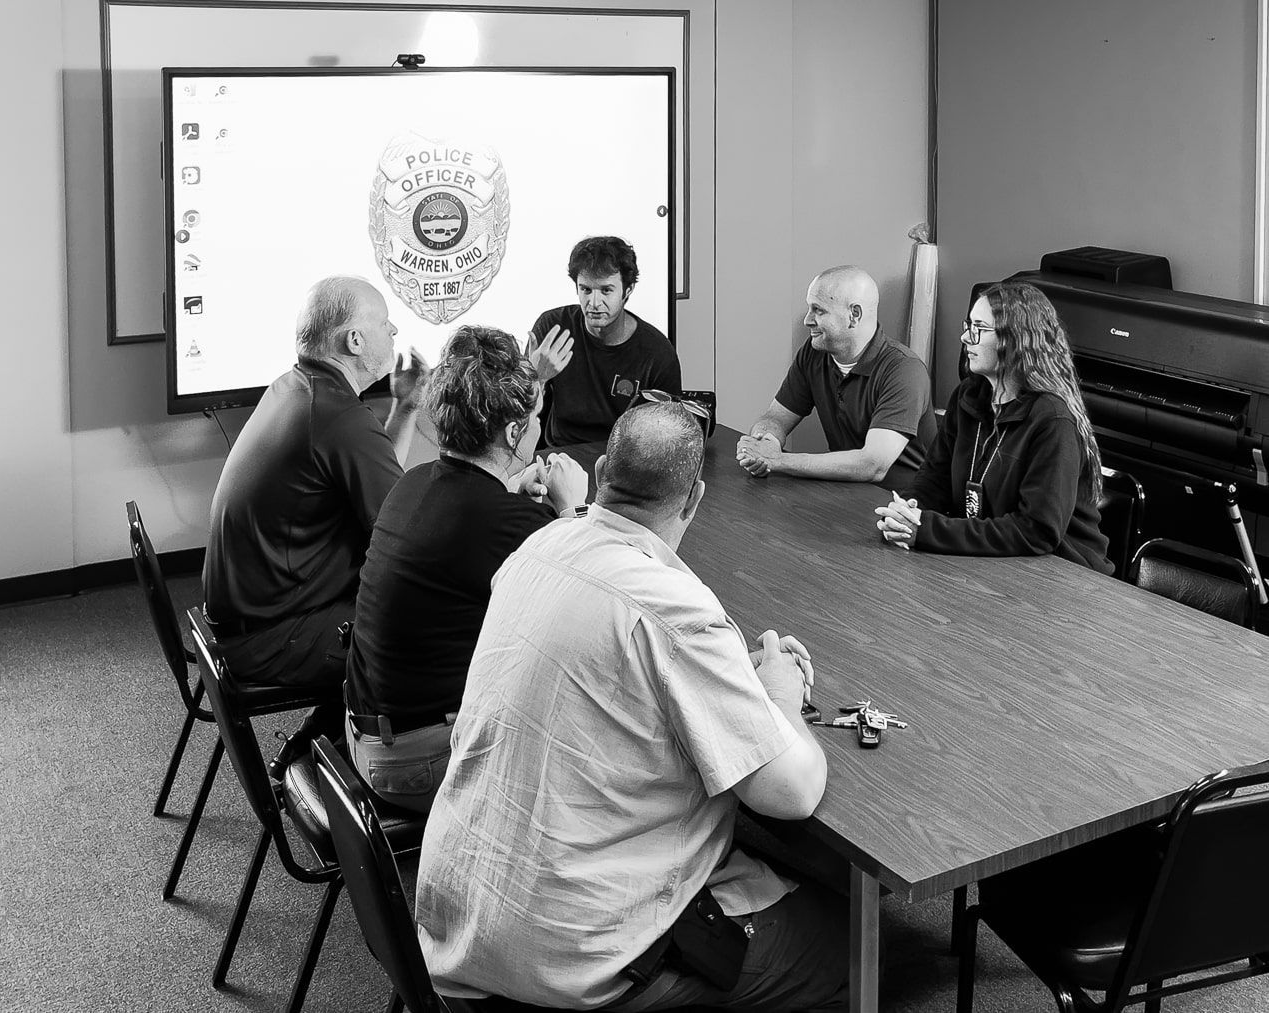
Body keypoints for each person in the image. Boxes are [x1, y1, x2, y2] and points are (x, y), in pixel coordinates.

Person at [415, 401, 849, 1012]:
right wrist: (776, 697)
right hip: (574, 959)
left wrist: (722, 687)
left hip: (462, 923)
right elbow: (791, 794)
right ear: (694, 499)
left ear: (600, 475)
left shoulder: (532, 553)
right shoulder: (676, 610)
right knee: (858, 951)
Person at [343, 325, 589, 813]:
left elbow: (473, 524)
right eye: (536, 419)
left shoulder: (413, 483)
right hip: (418, 762)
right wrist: (574, 511)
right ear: (517, 432)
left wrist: (514, 494)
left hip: (364, 734)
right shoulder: (505, 522)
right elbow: (593, 598)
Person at [202, 275, 427, 700]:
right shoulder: (339, 417)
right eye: (385, 323)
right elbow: (403, 532)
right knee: (439, 636)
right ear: (355, 341)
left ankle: (317, 746)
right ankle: (346, 757)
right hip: (274, 639)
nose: (394, 331)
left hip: (248, 619)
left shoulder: (296, 388)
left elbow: (381, 487)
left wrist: (407, 405)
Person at [874, 280, 1112, 573]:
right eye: (968, 325)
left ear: (1014, 340)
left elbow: (1037, 531)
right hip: (996, 562)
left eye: (979, 329)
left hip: (1064, 575)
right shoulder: (968, 397)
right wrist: (906, 512)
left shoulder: (1053, 420)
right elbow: (933, 480)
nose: (965, 337)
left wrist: (927, 531)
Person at [736, 266, 937, 490]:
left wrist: (778, 460)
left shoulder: (904, 369)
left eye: (818, 310)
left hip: (903, 504)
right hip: (845, 491)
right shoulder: (813, 353)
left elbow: (873, 465)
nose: (807, 320)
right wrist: (765, 441)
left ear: (855, 315)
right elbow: (776, 417)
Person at [528, 235, 682, 445]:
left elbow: (669, 435)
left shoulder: (657, 353)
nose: (594, 302)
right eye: (586, 290)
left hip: (623, 462)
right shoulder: (553, 328)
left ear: (627, 291)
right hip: (557, 458)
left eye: (606, 290)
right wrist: (537, 379)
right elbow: (513, 415)